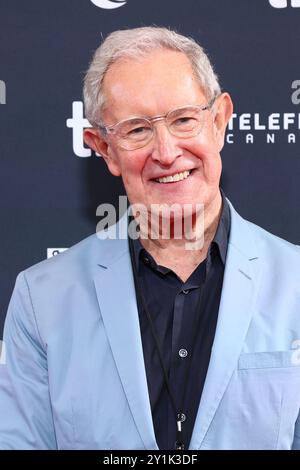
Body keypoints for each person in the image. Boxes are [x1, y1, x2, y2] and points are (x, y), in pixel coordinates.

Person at [0, 26, 300, 451]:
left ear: (218, 122)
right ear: (104, 149)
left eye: (183, 120)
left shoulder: (296, 283)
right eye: (137, 130)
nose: (165, 151)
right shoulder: (41, 299)